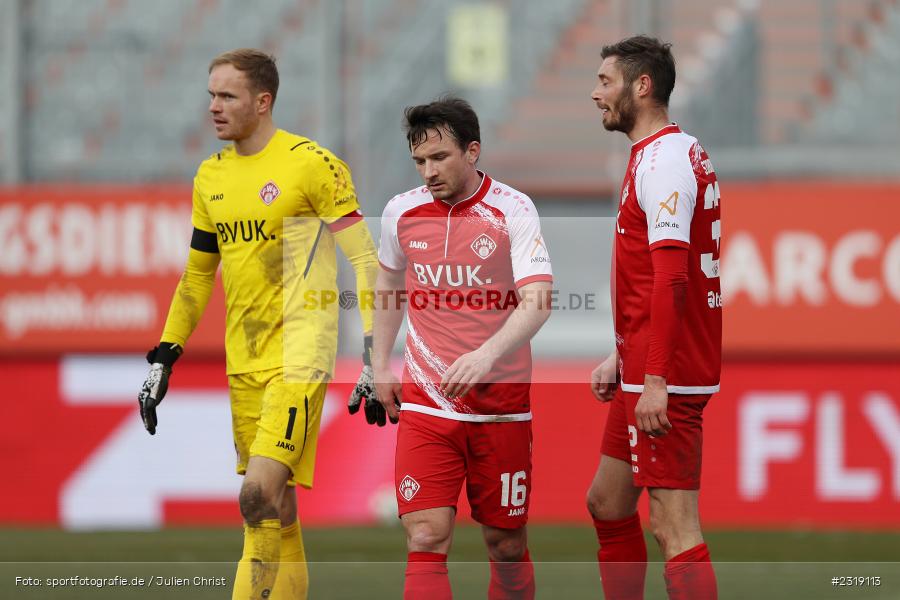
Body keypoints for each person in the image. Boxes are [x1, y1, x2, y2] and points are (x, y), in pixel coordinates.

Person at [136, 48, 379, 600]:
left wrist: (372, 351)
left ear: (262, 101)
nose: (214, 108)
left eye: (227, 96)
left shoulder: (312, 165)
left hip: (301, 354)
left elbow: (365, 259)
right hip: (243, 359)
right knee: (273, 509)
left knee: (255, 495)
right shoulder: (211, 177)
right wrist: (164, 356)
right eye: (211, 96)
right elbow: (197, 277)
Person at [368, 96, 553, 599]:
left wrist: (486, 355)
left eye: (439, 158)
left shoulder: (512, 210)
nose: (428, 171)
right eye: (420, 162)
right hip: (429, 404)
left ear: (472, 152)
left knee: (506, 543)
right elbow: (389, 287)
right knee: (425, 536)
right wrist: (378, 362)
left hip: (501, 409)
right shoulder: (400, 213)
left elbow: (538, 300)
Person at [587, 36, 722, 599]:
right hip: (642, 361)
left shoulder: (665, 160)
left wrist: (658, 379)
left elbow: (672, 278)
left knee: (673, 525)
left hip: (665, 374)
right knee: (608, 502)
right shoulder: (663, 152)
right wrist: (623, 352)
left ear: (642, 87)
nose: (595, 94)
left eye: (605, 82)